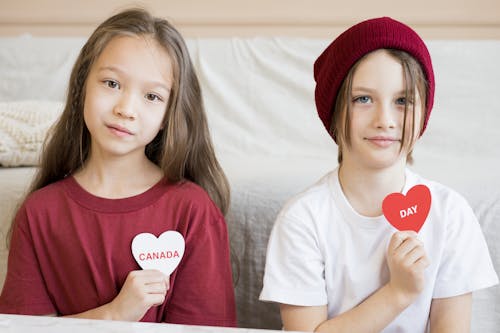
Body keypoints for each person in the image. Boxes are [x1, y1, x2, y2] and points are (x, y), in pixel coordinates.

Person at [0, 8, 237, 327]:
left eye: (152, 96)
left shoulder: (193, 211)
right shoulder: (39, 213)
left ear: (169, 113)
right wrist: (115, 314)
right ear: (83, 85)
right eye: (111, 83)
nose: (126, 109)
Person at [259, 17, 498, 332]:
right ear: (334, 108)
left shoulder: (450, 214)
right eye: (363, 99)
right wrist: (398, 293)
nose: (384, 120)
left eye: (403, 101)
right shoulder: (303, 220)